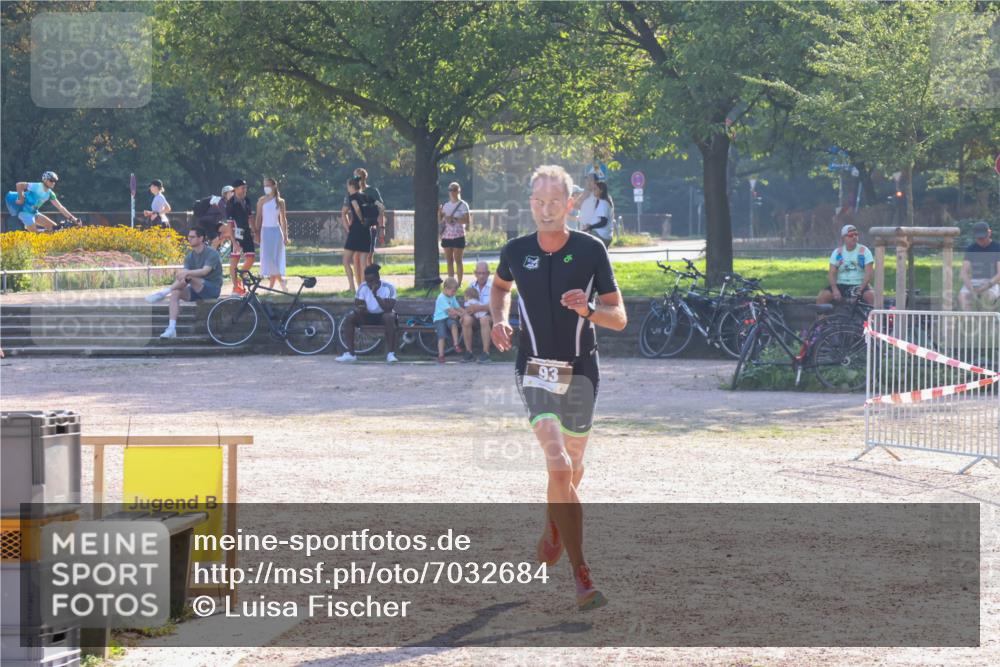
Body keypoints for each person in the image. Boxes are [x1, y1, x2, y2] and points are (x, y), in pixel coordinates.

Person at [489, 164, 626, 611]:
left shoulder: (591, 250)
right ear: (530, 203)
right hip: (534, 368)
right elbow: (499, 288)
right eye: (538, 202)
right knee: (560, 464)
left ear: (570, 204)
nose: (545, 210)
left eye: (554, 202)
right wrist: (499, 318)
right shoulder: (515, 249)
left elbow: (618, 317)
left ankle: (553, 524)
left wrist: (588, 310)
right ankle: (582, 574)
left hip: (581, 369)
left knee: (572, 470)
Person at [146, 227, 223, 338]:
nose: (189, 239)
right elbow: (185, 276)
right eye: (189, 237)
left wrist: (186, 273)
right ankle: (171, 328)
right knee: (176, 293)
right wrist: (183, 274)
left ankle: (163, 293)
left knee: (189, 276)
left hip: (212, 289)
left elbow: (205, 271)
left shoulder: (212, 253)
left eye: (192, 237)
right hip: (195, 289)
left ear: (201, 238)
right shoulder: (189, 256)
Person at [336, 263, 399, 364]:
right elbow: (358, 303)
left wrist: (375, 295)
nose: (369, 284)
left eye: (372, 281)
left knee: (389, 317)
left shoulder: (389, 287)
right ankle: (351, 354)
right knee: (350, 317)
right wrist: (360, 308)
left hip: (382, 316)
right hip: (367, 316)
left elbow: (388, 308)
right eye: (367, 281)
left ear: (378, 277)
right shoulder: (363, 286)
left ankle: (390, 354)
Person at [816, 224, 874, 306]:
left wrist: (860, 290)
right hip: (841, 285)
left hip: (860, 284)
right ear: (843, 238)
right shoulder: (838, 252)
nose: (854, 237)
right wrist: (835, 289)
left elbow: (869, 273)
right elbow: (831, 273)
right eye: (850, 235)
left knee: (872, 297)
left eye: (856, 234)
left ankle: (876, 318)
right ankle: (822, 318)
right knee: (822, 298)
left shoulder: (864, 251)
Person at [4, 171, 81, 232]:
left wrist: (73, 219)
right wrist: (21, 199)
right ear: (45, 180)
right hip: (24, 212)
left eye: (55, 181)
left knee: (55, 229)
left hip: (34, 213)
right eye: (51, 180)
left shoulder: (50, 193)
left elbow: (60, 207)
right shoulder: (37, 186)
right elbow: (19, 185)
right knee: (35, 234)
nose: (53, 183)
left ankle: (31, 233)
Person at [256, 177, 289, 291]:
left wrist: (285, 236)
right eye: (264, 185)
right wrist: (256, 232)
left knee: (274, 258)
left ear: (274, 186)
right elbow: (258, 217)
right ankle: (282, 281)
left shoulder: (280, 201)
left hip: (276, 231)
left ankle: (271, 286)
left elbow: (283, 219)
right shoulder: (261, 200)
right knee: (268, 258)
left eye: (268, 185)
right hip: (265, 231)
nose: (266, 188)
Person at [959, 221, 1000, 311]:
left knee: (987, 298)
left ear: (989, 233)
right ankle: (969, 321)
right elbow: (964, 272)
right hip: (974, 282)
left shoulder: (997, 248)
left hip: (992, 282)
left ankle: (985, 322)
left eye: (983, 237)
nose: (981, 240)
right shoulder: (971, 249)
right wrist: (970, 288)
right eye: (979, 238)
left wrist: (987, 285)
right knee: (963, 296)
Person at [343, 177, 372, 294]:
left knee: (346, 260)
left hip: (356, 230)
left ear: (351, 185)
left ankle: (352, 287)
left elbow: (354, 210)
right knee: (364, 261)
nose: (347, 188)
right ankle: (365, 288)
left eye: (347, 186)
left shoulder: (352, 198)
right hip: (366, 230)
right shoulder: (366, 196)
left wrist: (351, 226)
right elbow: (379, 208)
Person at [226, 179, 256, 295]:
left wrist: (255, 231)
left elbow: (250, 217)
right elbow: (229, 223)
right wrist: (234, 241)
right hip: (236, 233)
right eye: (242, 188)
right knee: (234, 260)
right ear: (236, 189)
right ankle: (235, 287)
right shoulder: (231, 203)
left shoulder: (247, 200)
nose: (245, 190)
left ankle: (242, 276)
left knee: (251, 257)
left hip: (247, 232)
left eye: (245, 188)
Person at [439, 182, 471, 285]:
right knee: (449, 261)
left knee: (458, 260)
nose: (452, 192)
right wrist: (439, 214)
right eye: (450, 190)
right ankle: (451, 283)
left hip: (458, 235)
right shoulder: (446, 205)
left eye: (454, 190)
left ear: (458, 191)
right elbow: (440, 221)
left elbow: (467, 220)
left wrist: (454, 218)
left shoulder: (463, 205)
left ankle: (460, 282)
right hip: (447, 236)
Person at [461, 261, 493, 363]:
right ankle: (469, 353)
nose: (481, 276)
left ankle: (486, 353)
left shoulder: (493, 286)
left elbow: (495, 307)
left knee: (484, 320)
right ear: (475, 273)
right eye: (479, 273)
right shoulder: (471, 286)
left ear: (488, 273)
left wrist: (479, 308)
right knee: (466, 320)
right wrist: (464, 313)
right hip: (475, 316)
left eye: (484, 273)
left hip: (491, 316)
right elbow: (467, 304)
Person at [433, 277, 466, 364]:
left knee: (453, 324)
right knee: (441, 336)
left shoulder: (452, 296)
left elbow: (457, 307)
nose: (454, 293)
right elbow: (451, 310)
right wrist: (461, 314)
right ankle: (441, 355)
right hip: (439, 319)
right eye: (452, 291)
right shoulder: (441, 297)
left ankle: (455, 344)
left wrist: (465, 312)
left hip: (448, 318)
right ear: (446, 289)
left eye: (455, 291)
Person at [581, 181, 614, 248]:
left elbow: (603, 222)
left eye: (595, 189)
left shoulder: (603, 203)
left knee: (582, 246)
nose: (593, 191)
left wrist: (590, 227)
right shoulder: (603, 202)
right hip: (602, 234)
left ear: (601, 190)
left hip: (600, 235)